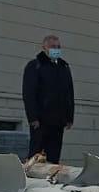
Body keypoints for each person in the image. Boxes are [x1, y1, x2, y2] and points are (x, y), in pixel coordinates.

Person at [22, 34, 74, 164]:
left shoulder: (64, 67)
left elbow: (69, 93)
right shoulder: (35, 66)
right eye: (52, 47)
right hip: (41, 120)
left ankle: (51, 175)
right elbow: (29, 93)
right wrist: (32, 118)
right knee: (36, 155)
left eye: (58, 47)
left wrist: (69, 117)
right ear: (44, 48)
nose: (56, 49)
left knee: (54, 156)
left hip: (58, 120)